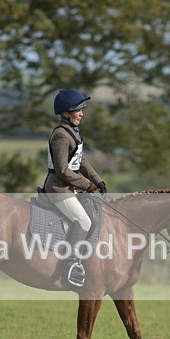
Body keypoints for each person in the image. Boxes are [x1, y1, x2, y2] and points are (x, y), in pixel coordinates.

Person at [44, 89, 107, 287]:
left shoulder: (72, 132)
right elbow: (62, 170)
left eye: (81, 110)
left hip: (69, 189)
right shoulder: (61, 136)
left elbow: (81, 161)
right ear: (65, 113)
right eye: (78, 110)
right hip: (59, 190)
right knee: (83, 221)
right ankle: (71, 264)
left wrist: (98, 181)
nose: (81, 113)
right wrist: (86, 184)